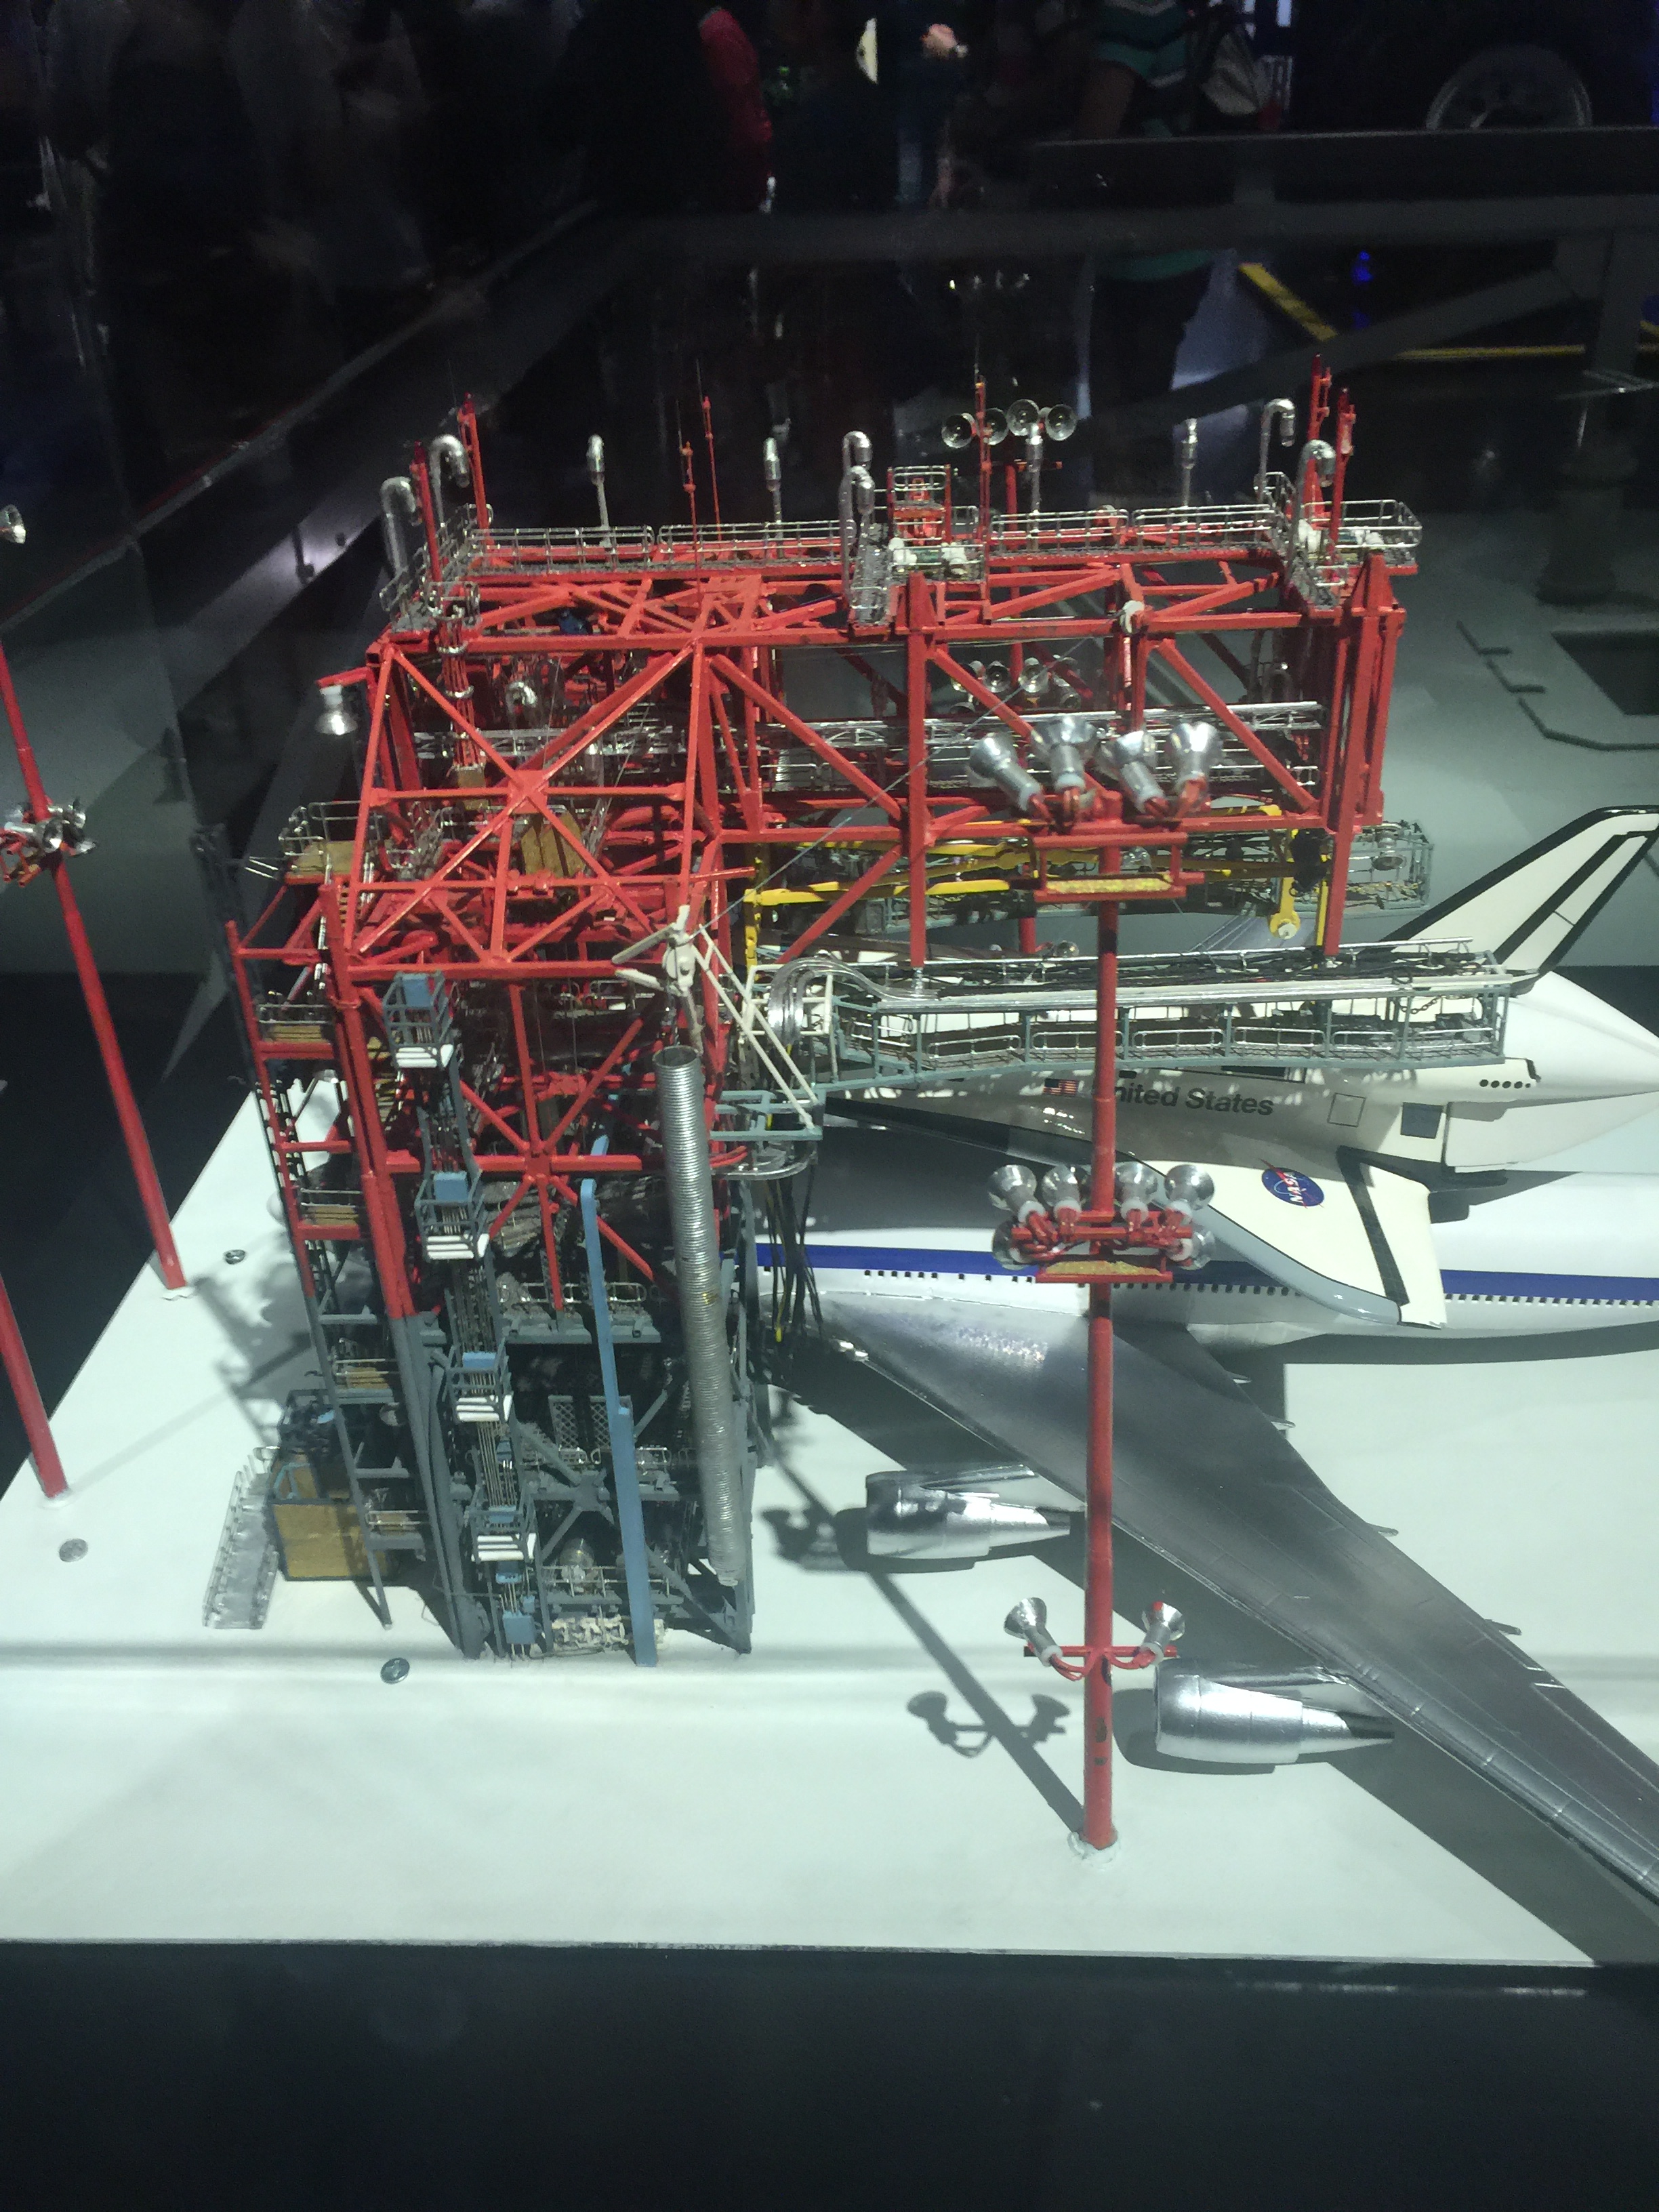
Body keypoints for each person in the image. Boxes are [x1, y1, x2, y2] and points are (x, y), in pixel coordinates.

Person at [1074, 0, 1218, 503]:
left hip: (1146, 248)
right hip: (1181, 236)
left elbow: (1093, 135)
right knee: (1145, 403)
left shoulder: (1134, 12)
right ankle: (1142, 519)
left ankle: (1131, 525)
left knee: (1126, 418)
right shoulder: (1169, 9)